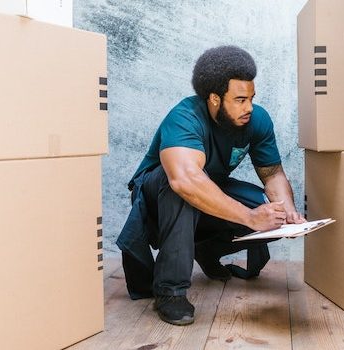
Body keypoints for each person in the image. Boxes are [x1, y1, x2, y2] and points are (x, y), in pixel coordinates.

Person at [115, 45, 306, 326]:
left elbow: (273, 173)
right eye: (240, 99)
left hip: (205, 190)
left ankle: (207, 250)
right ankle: (170, 291)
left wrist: (287, 213)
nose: (249, 107)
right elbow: (185, 180)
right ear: (214, 99)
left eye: (252, 97)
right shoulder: (185, 116)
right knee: (181, 188)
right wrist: (250, 218)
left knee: (271, 211)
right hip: (159, 198)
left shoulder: (257, 119)